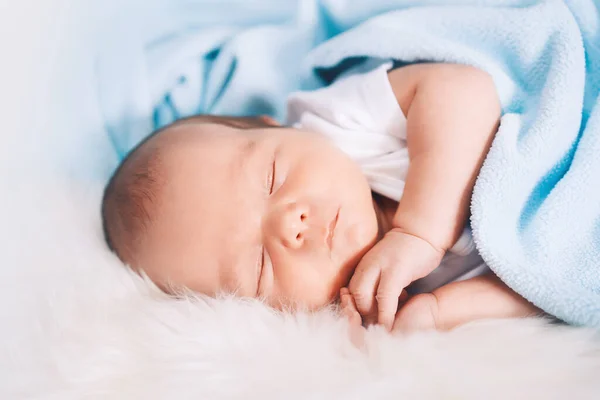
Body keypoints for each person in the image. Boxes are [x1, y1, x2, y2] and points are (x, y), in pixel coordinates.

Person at [101, 61, 539, 333]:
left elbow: (463, 89)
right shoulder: (375, 300)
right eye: (259, 266)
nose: (289, 225)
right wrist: (434, 315)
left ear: (275, 126)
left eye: (272, 177)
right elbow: (533, 289)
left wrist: (420, 232)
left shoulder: (339, 123)